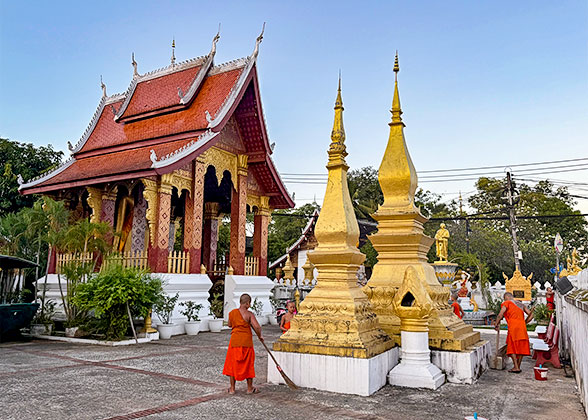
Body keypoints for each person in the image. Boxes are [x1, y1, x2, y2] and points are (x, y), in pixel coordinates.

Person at [222, 293, 264, 394]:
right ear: (247, 303)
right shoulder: (249, 314)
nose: (250, 305)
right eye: (249, 303)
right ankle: (249, 388)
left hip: (235, 342)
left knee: (233, 364)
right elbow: (257, 327)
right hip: (246, 342)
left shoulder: (232, 313)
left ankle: (232, 389)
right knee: (248, 364)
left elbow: (229, 325)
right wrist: (260, 336)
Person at [494, 292, 533, 373]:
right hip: (522, 328)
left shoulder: (506, 303)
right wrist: (525, 322)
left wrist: (496, 324)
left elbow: (500, 315)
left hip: (513, 328)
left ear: (506, 297)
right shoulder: (521, 304)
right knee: (521, 347)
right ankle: (518, 366)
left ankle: (516, 367)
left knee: (511, 347)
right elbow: (531, 315)